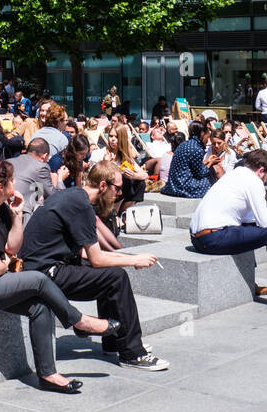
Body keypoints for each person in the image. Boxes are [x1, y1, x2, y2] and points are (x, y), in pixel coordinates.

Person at [0, 157, 118, 393]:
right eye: (12, 179)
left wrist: (16, 216)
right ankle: (79, 320)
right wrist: (6, 261)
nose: (16, 182)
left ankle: (48, 374)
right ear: (0, 186)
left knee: (40, 305)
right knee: (37, 279)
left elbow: (13, 248)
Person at [20, 158, 168, 371]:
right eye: (117, 189)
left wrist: (125, 258)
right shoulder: (82, 206)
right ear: (102, 186)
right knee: (116, 278)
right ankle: (133, 353)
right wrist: (134, 260)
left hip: (42, 268)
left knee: (110, 274)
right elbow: (97, 259)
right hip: (43, 275)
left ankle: (113, 340)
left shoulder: (72, 196)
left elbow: (86, 252)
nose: (119, 194)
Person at [189, 150, 267, 308]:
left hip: (199, 238)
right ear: (261, 170)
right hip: (213, 238)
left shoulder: (234, 174)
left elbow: (246, 217)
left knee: (249, 228)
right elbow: (264, 223)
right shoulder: (254, 181)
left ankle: (251, 281)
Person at [162, 120, 220, 197]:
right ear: (202, 134)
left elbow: (190, 167)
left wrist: (207, 161)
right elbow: (200, 173)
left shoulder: (184, 144)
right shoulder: (197, 148)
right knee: (215, 171)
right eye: (207, 137)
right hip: (184, 186)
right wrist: (211, 163)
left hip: (173, 185)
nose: (208, 140)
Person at [11, 137, 54, 222]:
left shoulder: (9, 161)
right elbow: (52, 196)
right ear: (44, 156)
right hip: (20, 212)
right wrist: (59, 180)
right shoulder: (41, 167)